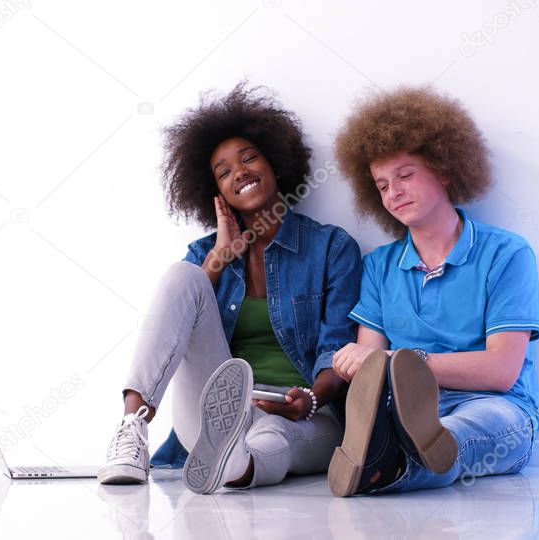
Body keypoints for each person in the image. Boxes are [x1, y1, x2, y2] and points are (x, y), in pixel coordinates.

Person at [97, 83, 361, 494]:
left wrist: (308, 400)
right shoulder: (205, 253)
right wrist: (219, 258)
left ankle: (236, 466)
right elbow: (179, 328)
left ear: (275, 162)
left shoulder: (331, 248)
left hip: (304, 416)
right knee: (183, 276)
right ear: (215, 192)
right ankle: (133, 430)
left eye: (248, 158)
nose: (239, 172)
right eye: (223, 172)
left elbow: (337, 349)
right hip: (217, 414)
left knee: (274, 438)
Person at [326, 86, 539, 497]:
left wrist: (405, 361)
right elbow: (371, 368)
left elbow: (501, 371)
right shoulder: (378, 267)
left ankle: (388, 463)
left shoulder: (506, 254)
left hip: (494, 406)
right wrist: (354, 362)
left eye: (405, 175)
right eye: (382, 185)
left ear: (445, 169)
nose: (394, 193)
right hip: (401, 408)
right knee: (392, 416)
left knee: (463, 431)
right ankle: (392, 456)